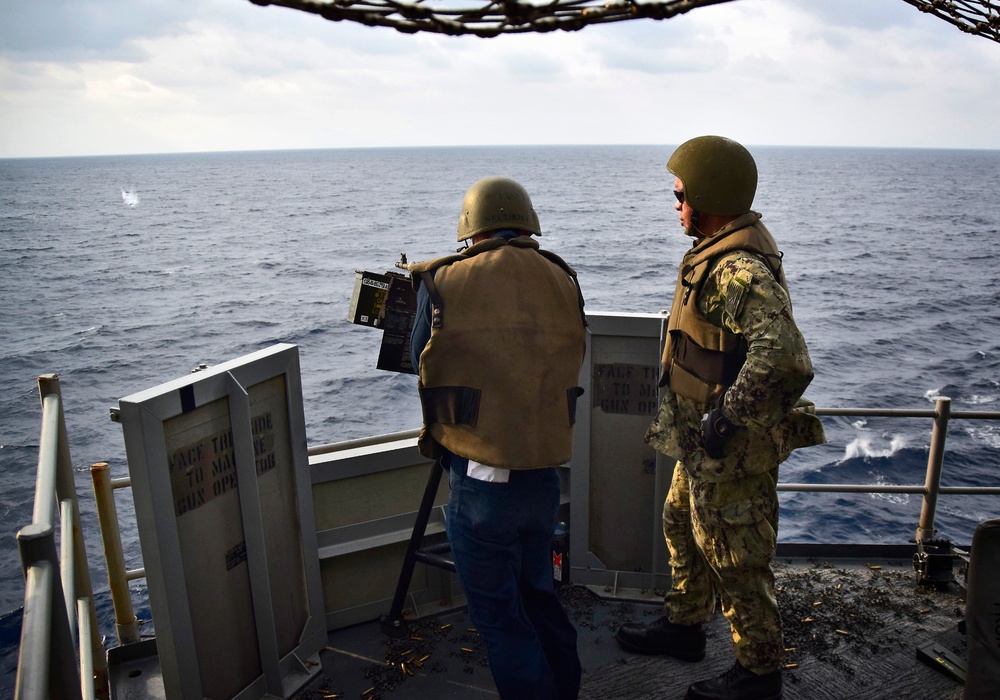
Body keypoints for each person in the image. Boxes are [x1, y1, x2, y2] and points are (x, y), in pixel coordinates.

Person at [614, 136, 825, 700]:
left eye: (680, 194)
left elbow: (783, 355)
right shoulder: (719, 248)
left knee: (736, 559)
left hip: (728, 448)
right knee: (681, 523)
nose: (675, 204)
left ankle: (759, 674)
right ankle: (685, 624)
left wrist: (728, 420)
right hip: (701, 442)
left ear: (708, 197)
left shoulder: (734, 266)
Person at [408, 176, 587, 700]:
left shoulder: (443, 279)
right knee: (540, 596)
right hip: (542, 476)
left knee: (501, 619)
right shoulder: (562, 277)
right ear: (528, 224)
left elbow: (418, 357)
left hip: (480, 480)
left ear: (469, 230)